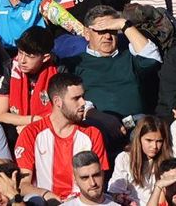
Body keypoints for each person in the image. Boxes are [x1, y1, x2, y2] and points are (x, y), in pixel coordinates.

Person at [14, 73, 107, 201]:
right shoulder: (31, 133)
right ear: (58, 101)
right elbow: (23, 185)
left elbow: (98, 182)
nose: (83, 102)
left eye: (83, 96)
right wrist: (50, 197)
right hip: (46, 202)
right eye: (76, 98)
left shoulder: (92, 134)